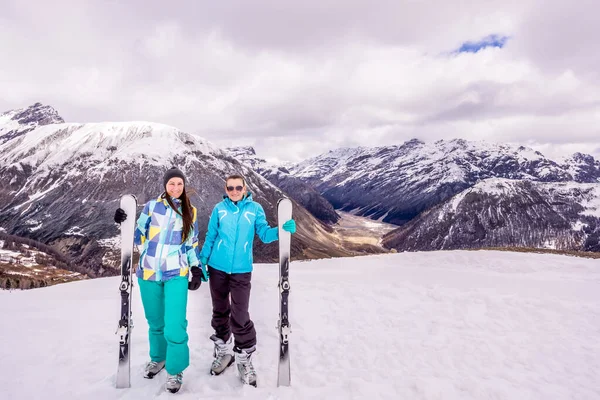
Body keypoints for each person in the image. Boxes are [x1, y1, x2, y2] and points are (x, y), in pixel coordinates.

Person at [113, 167, 207, 393]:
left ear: (184, 187)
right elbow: (137, 235)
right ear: (165, 185)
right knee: (155, 322)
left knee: (175, 324)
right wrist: (123, 222)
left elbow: (191, 244)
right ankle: (159, 358)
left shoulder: (190, 211)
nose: (176, 188)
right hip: (148, 272)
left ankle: (175, 370)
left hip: (176, 273)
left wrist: (196, 268)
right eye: (172, 183)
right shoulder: (152, 207)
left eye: (180, 184)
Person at [199, 174, 296, 387]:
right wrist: (203, 260)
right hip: (217, 268)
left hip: (242, 270)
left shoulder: (254, 209)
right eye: (230, 188)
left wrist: (281, 230)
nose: (234, 191)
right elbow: (211, 236)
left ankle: (243, 357)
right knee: (220, 311)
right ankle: (224, 352)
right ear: (225, 189)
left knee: (240, 315)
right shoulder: (219, 209)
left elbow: (263, 234)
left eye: (238, 187)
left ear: (245, 189)